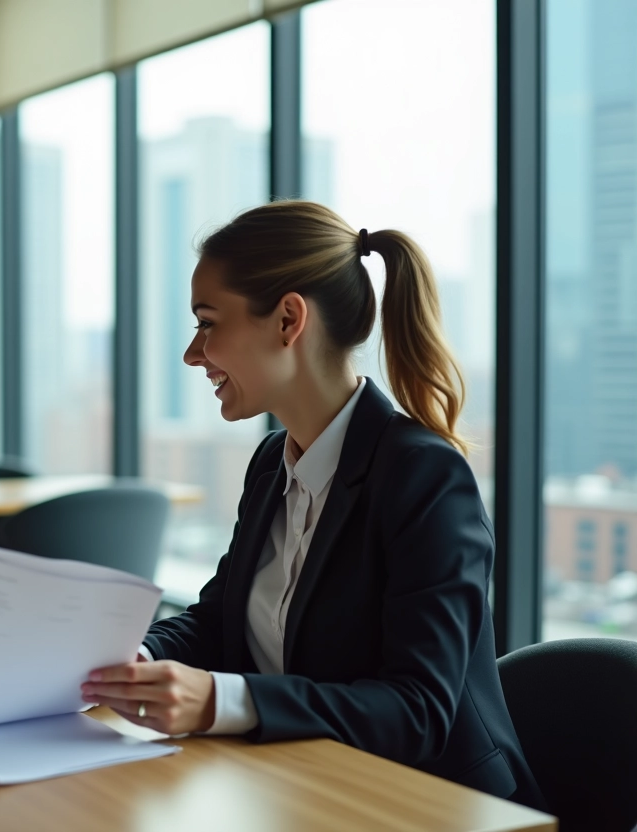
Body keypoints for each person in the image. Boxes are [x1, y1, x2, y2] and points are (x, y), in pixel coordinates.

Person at [80, 200, 545, 809]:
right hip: (298, 788)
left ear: (287, 320)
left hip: (428, 806)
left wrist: (220, 701)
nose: (194, 354)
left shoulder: (424, 477)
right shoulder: (272, 463)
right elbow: (220, 622)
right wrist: (134, 658)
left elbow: (418, 711)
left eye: (208, 322)